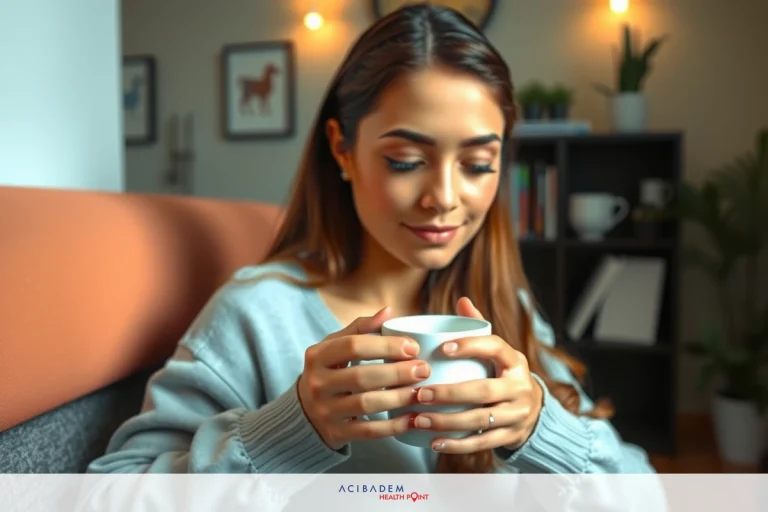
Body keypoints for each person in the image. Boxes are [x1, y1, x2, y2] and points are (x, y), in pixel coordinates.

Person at [88, 5, 657, 477]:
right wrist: (292, 430)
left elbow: (643, 491)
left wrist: (540, 428)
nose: (444, 197)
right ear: (342, 149)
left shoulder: (504, 304)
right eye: (406, 160)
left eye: (478, 164)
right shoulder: (258, 316)